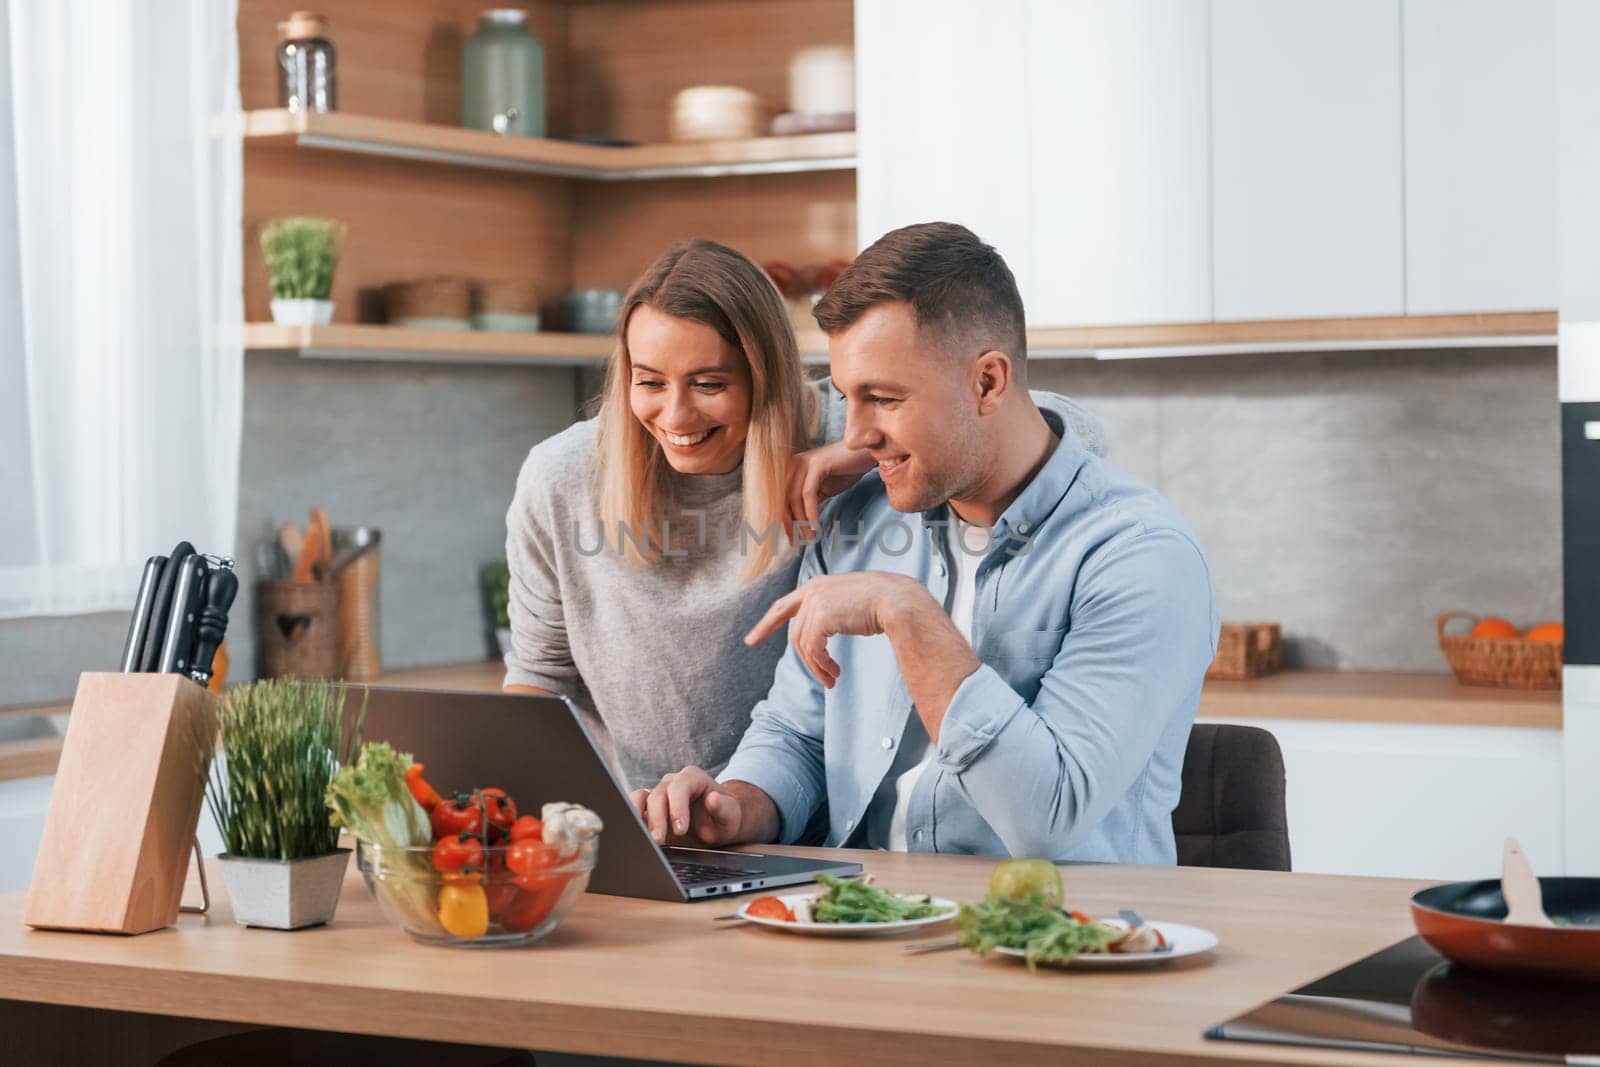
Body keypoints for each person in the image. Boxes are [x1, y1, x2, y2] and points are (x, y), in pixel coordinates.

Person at [634, 223, 1218, 862]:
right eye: (848, 398)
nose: (854, 435)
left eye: (883, 399)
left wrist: (907, 613)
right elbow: (797, 735)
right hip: (864, 920)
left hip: (1056, 936)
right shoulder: (860, 524)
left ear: (988, 383)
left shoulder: (1137, 556)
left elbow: (1048, 817)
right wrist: (736, 805)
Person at [502, 237, 1108, 792]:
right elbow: (539, 677)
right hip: (662, 817)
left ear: (765, 376)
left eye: (710, 383)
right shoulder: (563, 477)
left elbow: (1062, 429)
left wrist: (853, 451)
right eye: (650, 381)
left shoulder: (839, 427)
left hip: (806, 812)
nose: (676, 416)